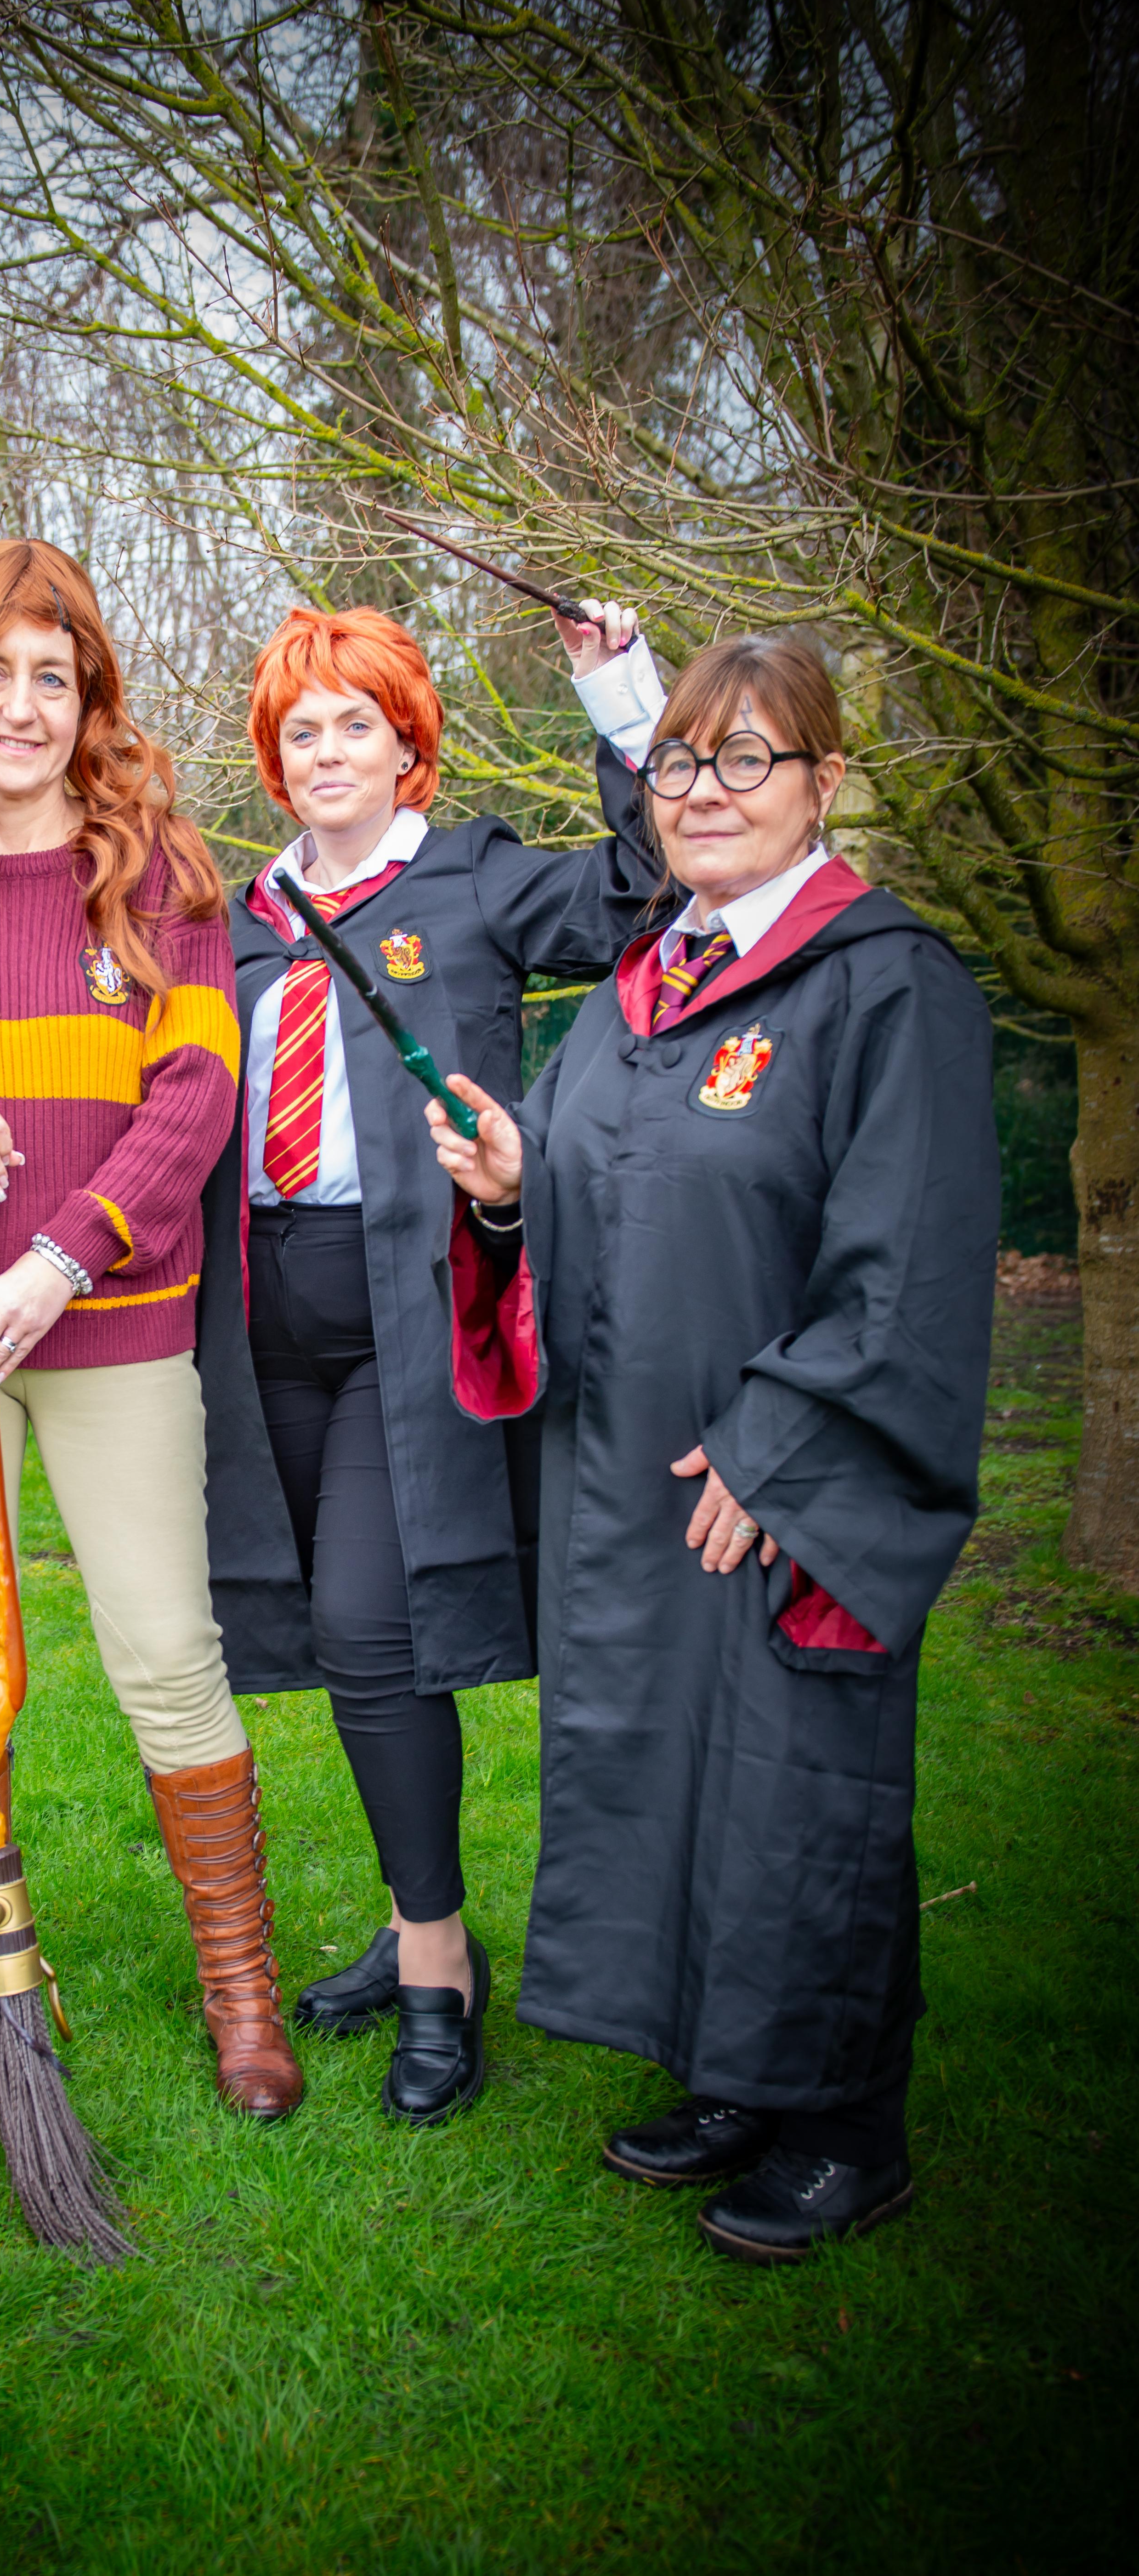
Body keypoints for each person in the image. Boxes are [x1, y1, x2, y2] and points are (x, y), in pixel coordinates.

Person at [428, 631, 997, 2260]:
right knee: (676, 1780)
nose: (702, 791)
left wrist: (777, 1444)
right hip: (635, 1480)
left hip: (779, 1483)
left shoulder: (883, 984)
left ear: (824, 783)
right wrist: (509, 1194)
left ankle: (844, 2124)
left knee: (797, 1791)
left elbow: (908, 1255)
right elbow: (594, 1205)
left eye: (748, 758)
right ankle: (731, 2075)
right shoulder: (637, 994)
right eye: (679, 761)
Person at [0, 537, 304, 2138]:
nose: (23, 707)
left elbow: (197, 1096)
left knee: (165, 1652)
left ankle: (240, 1991)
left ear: (90, 697)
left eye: (54, 675)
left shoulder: (160, 876)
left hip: (106, 1324)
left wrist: (60, 1252)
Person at [193, 599, 672, 2126]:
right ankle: (415, 1924)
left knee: (367, 1624)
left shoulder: (470, 880)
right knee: (351, 1646)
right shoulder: (231, 919)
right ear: (273, 759)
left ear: (409, 748)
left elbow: (646, 884)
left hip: (402, 1311)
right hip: (258, 1322)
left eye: (360, 724)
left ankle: (437, 1965)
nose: (328, 750)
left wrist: (622, 695)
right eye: (302, 730)